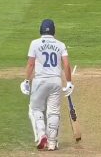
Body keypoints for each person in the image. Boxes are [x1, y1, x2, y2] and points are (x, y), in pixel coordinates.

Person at [20, 19, 75, 151]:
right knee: (53, 112)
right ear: (53, 31)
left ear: (41, 30)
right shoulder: (60, 45)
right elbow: (66, 64)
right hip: (56, 81)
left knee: (35, 109)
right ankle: (52, 143)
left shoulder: (34, 43)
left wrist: (26, 81)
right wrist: (69, 82)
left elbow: (31, 64)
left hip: (40, 81)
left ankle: (41, 135)